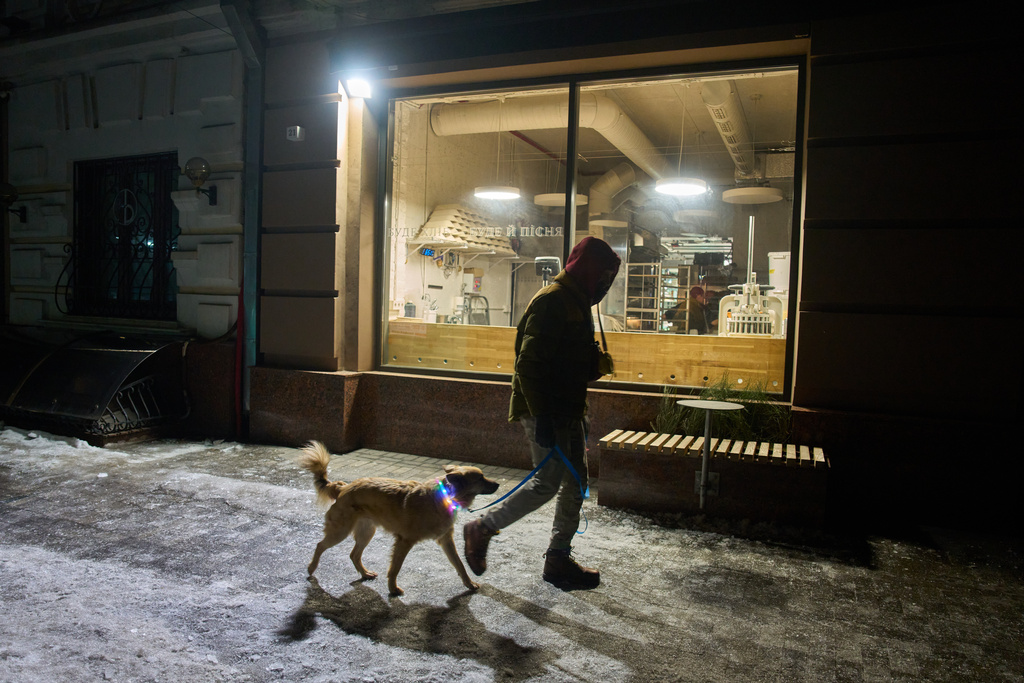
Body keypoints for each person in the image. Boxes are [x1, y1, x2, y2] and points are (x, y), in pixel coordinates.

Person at [463, 236, 621, 589]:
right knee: (547, 483)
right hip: (546, 409)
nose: (606, 285)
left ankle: (558, 559)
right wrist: (544, 416)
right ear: (590, 272)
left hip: (567, 407)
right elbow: (530, 365)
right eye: (604, 276)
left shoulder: (576, 301)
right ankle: (482, 528)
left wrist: (590, 363)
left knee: (575, 483)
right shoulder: (553, 301)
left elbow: (564, 357)